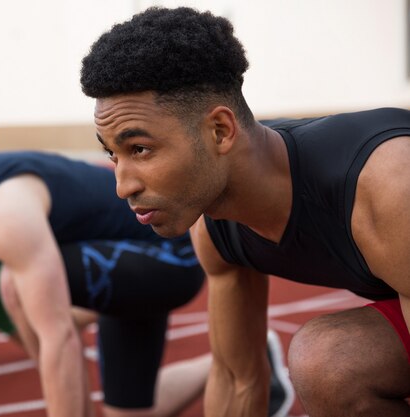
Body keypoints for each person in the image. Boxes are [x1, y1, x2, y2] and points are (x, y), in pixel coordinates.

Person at [0, 85, 293, 417]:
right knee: (127, 412)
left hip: (169, 256)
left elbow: (58, 334)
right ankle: (262, 359)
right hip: (117, 273)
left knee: (18, 287)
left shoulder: (4, 208)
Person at [80, 5, 410, 417]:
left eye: (140, 149)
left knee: (327, 360)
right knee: (333, 361)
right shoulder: (216, 228)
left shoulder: (387, 185)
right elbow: (238, 379)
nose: (122, 185)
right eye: (113, 154)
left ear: (220, 130)